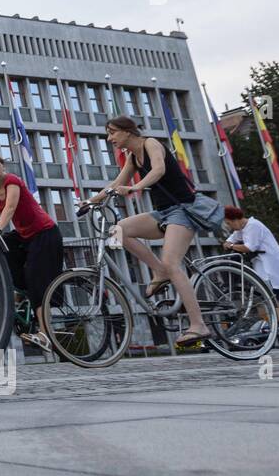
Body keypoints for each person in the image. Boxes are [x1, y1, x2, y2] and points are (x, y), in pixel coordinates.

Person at [89, 116, 224, 346]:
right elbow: (114, 184)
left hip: (183, 209)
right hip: (163, 213)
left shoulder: (150, 143)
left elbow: (159, 169)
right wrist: (89, 201)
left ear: (128, 131)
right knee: (118, 230)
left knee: (172, 263)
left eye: (112, 132)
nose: (109, 138)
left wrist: (136, 186)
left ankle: (198, 325)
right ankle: (158, 272)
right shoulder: (133, 157)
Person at [0, 152, 63, 350]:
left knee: (36, 281)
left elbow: (10, 208)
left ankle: (45, 334)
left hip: (44, 233)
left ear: (3, 165)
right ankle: (22, 292)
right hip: (25, 236)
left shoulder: (12, 181)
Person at [222, 206, 279, 347]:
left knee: (276, 303)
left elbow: (249, 247)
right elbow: (229, 241)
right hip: (271, 269)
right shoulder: (242, 228)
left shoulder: (253, 226)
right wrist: (231, 243)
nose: (229, 226)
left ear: (235, 219)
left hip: (270, 269)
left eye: (229, 223)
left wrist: (232, 245)